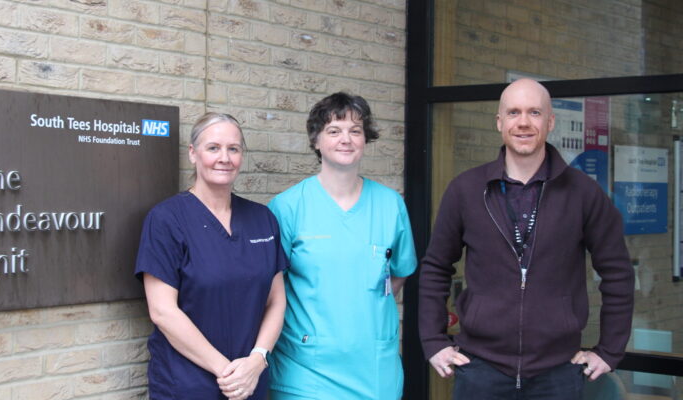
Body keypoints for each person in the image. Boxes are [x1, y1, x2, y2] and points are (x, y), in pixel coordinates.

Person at [419, 78, 634, 399]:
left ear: (550, 122)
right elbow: (436, 267)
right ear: (499, 122)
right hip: (479, 369)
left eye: (534, 112)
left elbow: (617, 273)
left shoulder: (583, 193)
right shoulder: (466, 189)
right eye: (513, 112)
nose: (523, 122)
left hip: (558, 372)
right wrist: (434, 341)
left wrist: (609, 350)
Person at [267, 92, 417, 399]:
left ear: (365, 140)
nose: (345, 139)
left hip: (375, 371)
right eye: (334, 131)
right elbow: (272, 290)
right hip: (306, 371)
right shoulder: (287, 208)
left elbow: (399, 273)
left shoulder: (390, 205)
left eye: (355, 131)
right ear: (316, 141)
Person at [135, 112, 287, 400]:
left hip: (251, 382)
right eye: (213, 148)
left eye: (234, 149)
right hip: (187, 385)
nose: (225, 158)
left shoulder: (262, 219)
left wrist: (257, 360)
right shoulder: (166, 219)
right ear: (193, 154)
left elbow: (276, 300)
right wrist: (229, 372)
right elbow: (163, 312)